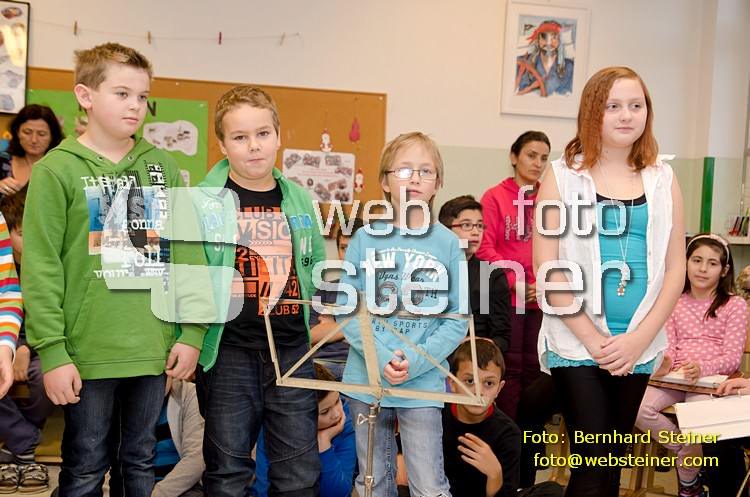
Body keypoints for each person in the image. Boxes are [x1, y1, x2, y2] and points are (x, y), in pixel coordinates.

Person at [23, 43, 205, 496]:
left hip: (151, 349)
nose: (135, 106)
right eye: (122, 93)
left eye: (142, 97)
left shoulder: (161, 166)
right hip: (86, 351)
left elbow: (188, 252)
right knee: (85, 464)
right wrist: (53, 351)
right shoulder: (57, 170)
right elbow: (42, 266)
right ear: (85, 95)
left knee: (139, 460)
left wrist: (191, 332)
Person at [534, 66, 686, 497]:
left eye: (636, 105)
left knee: (611, 466)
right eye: (613, 106)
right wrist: (593, 338)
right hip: (575, 340)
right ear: (592, 112)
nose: (626, 115)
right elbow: (547, 267)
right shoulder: (562, 176)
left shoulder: (663, 178)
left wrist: (639, 340)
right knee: (592, 463)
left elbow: (676, 269)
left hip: (638, 343)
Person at [195, 85, 326, 496]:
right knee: (228, 473)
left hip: (291, 350)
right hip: (228, 352)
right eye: (240, 137)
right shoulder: (202, 201)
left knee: (299, 475)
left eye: (263, 134)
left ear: (278, 136)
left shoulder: (299, 199)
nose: (254, 146)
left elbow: (316, 265)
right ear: (222, 145)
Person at [336, 131, 467, 497]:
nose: (415, 179)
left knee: (429, 485)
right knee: (373, 483)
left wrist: (413, 360)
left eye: (426, 171)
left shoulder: (448, 243)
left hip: (422, 383)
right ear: (385, 181)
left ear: (437, 183)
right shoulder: (364, 239)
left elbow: (456, 321)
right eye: (404, 170)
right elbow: (348, 308)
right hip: (367, 380)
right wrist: (381, 358)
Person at [636, 233, 748, 497]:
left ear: (724, 271)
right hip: (675, 378)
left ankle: (689, 485)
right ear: (685, 262)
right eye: (696, 260)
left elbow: (732, 358)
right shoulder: (673, 300)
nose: (702, 268)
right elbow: (669, 346)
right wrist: (664, 363)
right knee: (638, 407)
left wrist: (702, 368)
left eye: (712, 263)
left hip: (710, 382)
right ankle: (685, 451)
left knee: (698, 423)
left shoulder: (735, 305)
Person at [476, 130, 550, 420]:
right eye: (531, 155)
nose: (537, 163)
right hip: (507, 299)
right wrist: (513, 281)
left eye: (543, 158)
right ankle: (509, 431)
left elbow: (562, 245)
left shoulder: (550, 197)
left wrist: (543, 284)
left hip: (542, 299)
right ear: (514, 156)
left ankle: (530, 436)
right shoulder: (494, 197)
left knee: (537, 369)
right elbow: (484, 247)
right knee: (510, 368)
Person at [443, 339, 563, 497]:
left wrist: (495, 474)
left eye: (489, 383)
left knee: (552, 491)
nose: (479, 391)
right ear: (452, 384)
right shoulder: (436, 417)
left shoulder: (508, 432)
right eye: (469, 381)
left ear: (499, 389)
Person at [0, 188, 53, 493]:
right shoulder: (5, 267)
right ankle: (24, 439)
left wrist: (24, 348)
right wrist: (15, 348)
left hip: (40, 343)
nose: (28, 240)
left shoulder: (47, 265)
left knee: (45, 376)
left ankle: (17, 441)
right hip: (6, 343)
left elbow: (50, 314)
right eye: (20, 234)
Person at [252, 363, 356, 497]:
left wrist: (324, 444)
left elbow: (338, 493)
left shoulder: (344, 425)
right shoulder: (275, 427)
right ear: (299, 414)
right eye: (324, 412)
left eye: (337, 401)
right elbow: (263, 488)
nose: (336, 414)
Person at [438, 195, 511, 353]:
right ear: (445, 231)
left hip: (474, 357)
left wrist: (477, 344)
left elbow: (502, 337)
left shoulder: (490, 275)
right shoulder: (429, 271)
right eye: (467, 225)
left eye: (479, 226)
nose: (476, 232)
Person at [110, 377, 205, 497]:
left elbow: (196, 459)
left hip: (179, 488)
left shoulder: (188, 394)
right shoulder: (121, 400)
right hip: (132, 485)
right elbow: (109, 463)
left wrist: (156, 494)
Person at [310, 217, 365, 380]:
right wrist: (357, 324)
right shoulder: (326, 289)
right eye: (343, 248)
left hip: (362, 367)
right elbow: (312, 335)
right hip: (323, 365)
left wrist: (332, 327)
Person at [0, 104, 63, 197]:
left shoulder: (61, 167)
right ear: (17, 132)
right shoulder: (3, 160)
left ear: (52, 136)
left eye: (41, 134)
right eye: (27, 132)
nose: (34, 140)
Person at [515, 20, 574, 97]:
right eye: (544, 37)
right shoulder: (521, 63)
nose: (549, 42)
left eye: (554, 37)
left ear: (559, 41)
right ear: (537, 40)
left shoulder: (570, 67)